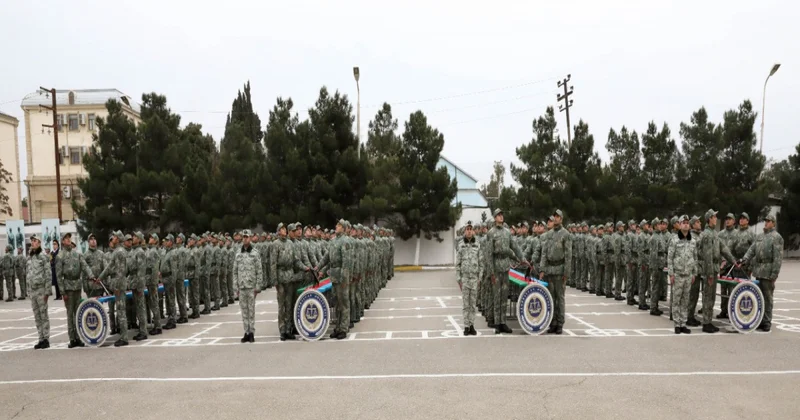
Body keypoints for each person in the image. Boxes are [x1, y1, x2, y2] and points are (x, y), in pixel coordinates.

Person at [740, 214, 784, 332]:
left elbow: (778, 258)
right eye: (765, 221)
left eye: (769, 221)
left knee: (767, 298)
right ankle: (759, 320)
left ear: (773, 223)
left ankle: (767, 321)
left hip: (768, 271)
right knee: (759, 297)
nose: (766, 223)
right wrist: (744, 260)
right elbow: (752, 250)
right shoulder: (760, 236)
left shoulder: (777, 237)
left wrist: (774, 274)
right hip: (758, 270)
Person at [697, 209, 736, 333]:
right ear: (709, 219)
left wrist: (733, 261)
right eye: (714, 217)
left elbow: (723, 248)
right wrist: (708, 274)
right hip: (710, 270)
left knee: (711, 296)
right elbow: (707, 256)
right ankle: (706, 323)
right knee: (708, 296)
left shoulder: (714, 233)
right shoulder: (707, 234)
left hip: (714, 268)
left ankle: (708, 321)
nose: (716, 218)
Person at [486, 209, 524, 335]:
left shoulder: (507, 232)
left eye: (502, 215)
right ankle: (497, 323)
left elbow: (515, 247)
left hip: (505, 267)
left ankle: (503, 322)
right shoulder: (491, 233)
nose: (501, 217)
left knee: (504, 296)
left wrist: (522, 259)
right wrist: (491, 272)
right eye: (499, 215)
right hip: (496, 267)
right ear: (495, 217)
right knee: (497, 296)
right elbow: (489, 254)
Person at [55, 233, 94, 348]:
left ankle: (79, 337)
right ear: (62, 241)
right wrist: (62, 292)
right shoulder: (60, 256)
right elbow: (58, 275)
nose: (68, 240)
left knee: (78, 313)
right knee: (70, 314)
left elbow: (85, 266)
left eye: (69, 238)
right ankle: (72, 338)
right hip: (68, 288)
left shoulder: (77, 254)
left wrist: (91, 276)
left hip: (77, 286)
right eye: (66, 239)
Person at [315, 220, 351, 339]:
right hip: (334, 276)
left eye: (339, 226)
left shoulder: (345, 241)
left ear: (344, 228)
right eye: (337, 225)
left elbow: (346, 262)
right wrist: (318, 267)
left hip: (341, 276)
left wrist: (344, 279)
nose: (336, 227)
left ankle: (344, 328)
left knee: (343, 303)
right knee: (336, 303)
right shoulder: (333, 241)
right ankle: (338, 327)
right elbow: (326, 257)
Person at [539, 210, 572, 335]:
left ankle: (560, 323)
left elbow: (569, 255)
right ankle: (552, 322)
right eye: (555, 217)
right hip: (550, 270)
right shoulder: (549, 234)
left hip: (560, 269)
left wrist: (566, 272)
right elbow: (544, 253)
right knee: (550, 297)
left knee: (560, 297)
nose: (556, 218)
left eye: (558, 217)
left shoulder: (566, 234)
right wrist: (542, 269)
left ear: (561, 219)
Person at [96, 231, 129, 347]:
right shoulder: (120, 251)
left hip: (119, 284)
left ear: (118, 239)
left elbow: (119, 271)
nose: (113, 238)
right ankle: (123, 336)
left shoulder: (118, 252)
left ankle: (124, 338)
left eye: (115, 237)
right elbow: (110, 268)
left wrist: (117, 286)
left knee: (121, 311)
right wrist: (100, 278)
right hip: (120, 283)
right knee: (121, 310)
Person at [667, 215, 697, 335]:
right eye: (683, 222)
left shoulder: (693, 241)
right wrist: (671, 273)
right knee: (676, 300)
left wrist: (694, 273)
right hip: (678, 274)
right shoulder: (674, 240)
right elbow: (670, 257)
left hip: (688, 275)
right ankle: (676, 324)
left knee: (685, 300)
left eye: (687, 222)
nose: (685, 224)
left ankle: (683, 323)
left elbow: (695, 257)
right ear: (679, 225)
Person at [233, 230, 263, 343]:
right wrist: (235, 287)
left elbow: (259, 271)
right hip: (242, 286)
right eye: (243, 237)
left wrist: (258, 286)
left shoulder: (255, 253)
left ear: (250, 238)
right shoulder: (238, 253)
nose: (245, 239)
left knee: (251, 310)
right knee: (244, 311)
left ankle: (252, 333)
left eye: (247, 237)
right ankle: (246, 331)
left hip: (251, 287)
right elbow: (234, 271)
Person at [456, 221, 483, 336]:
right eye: (467, 229)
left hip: (474, 279)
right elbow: (458, 264)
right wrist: (459, 279)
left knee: (473, 304)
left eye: (470, 229)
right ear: (464, 231)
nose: (469, 231)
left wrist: (480, 278)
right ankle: (466, 326)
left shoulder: (477, 244)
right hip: (465, 279)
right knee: (465, 304)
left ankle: (472, 325)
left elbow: (481, 262)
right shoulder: (461, 245)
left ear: (473, 231)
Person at [27, 235, 52, 349]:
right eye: (32, 241)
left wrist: (47, 291)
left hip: (41, 289)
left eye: (35, 241)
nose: (33, 243)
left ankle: (46, 339)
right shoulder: (30, 257)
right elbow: (28, 274)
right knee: (37, 316)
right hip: (33, 290)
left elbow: (48, 274)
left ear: (39, 243)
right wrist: (28, 290)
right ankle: (40, 338)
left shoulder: (43, 257)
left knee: (43, 315)